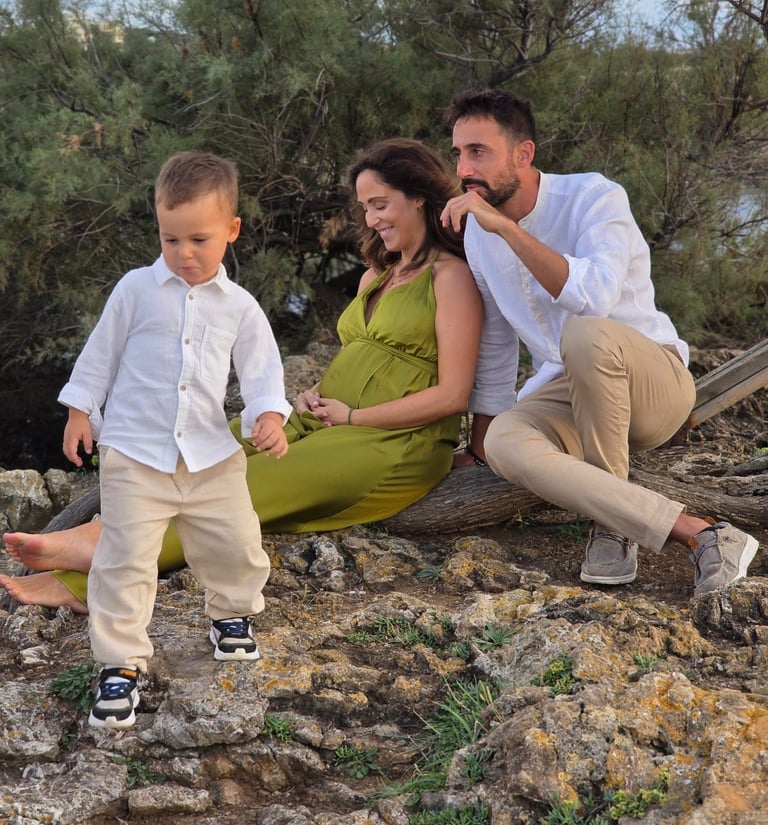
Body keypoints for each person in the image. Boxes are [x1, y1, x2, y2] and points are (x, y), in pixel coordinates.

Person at [0, 138, 482, 611]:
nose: (372, 220)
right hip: (324, 416)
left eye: (381, 205)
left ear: (419, 198)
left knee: (238, 486)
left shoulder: (449, 277)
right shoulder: (375, 275)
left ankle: (88, 564)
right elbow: (363, 357)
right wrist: (318, 393)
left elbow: (452, 395)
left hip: (393, 442)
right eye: (365, 208)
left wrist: (355, 416)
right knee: (210, 444)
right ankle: (104, 533)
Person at [441, 87, 759, 595]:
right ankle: (700, 532)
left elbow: (595, 296)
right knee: (505, 439)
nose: (463, 168)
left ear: (523, 154)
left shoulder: (594, 196)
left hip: (652, 384)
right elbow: (497, 343)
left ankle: (612, 527)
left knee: (585, 333)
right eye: (458, 152)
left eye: (478, 151)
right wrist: (478, 446)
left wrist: (507, 229)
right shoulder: (479, 236)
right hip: (568, 388)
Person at [55, 151, 292, 729]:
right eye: (170, 239)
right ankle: (118, 663)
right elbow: (100, 353)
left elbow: (262, 371)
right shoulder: (136, 290)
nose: (184, 253)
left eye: (198, 239)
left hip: (211, 456)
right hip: (135, 454)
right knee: (124, 559)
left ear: (231, 232)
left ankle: (232, 615)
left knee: (236, 541)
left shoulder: (241, 307)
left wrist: (269, 416)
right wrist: (80, 409)